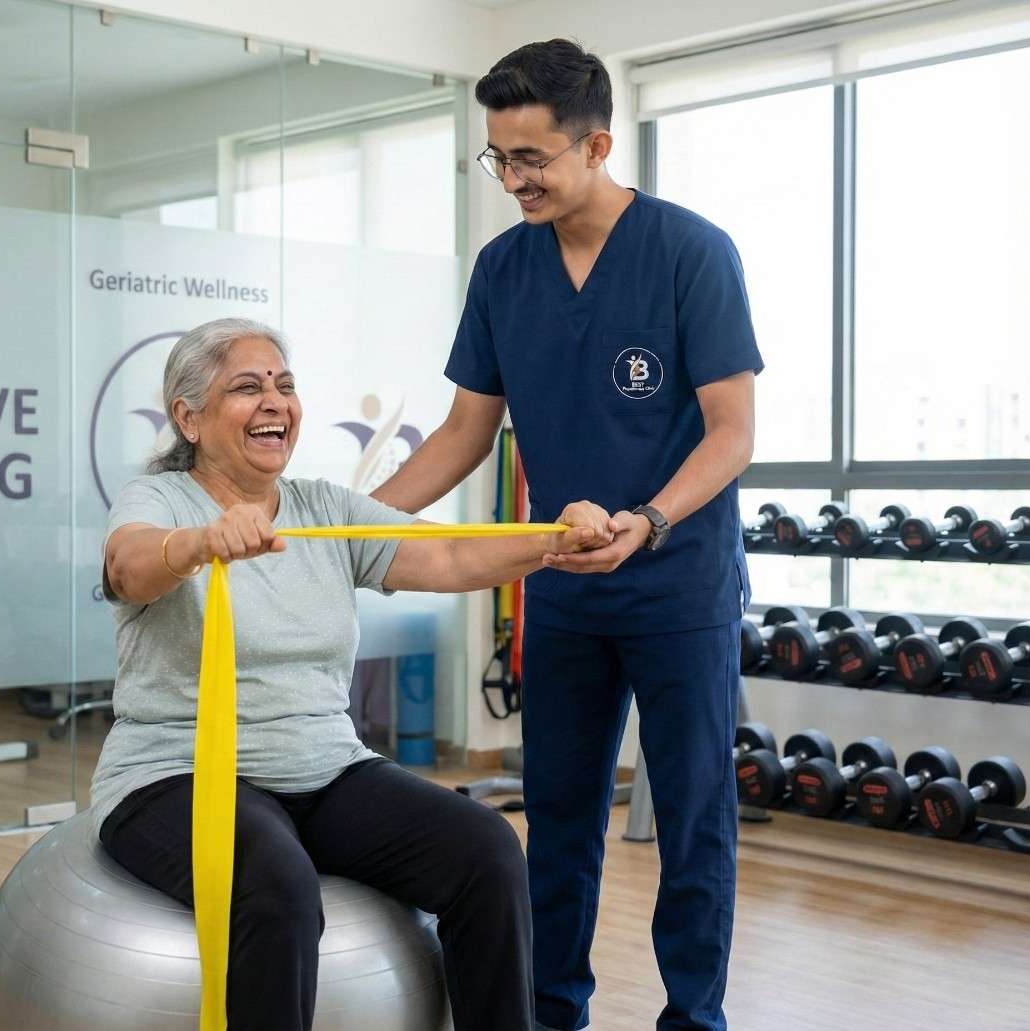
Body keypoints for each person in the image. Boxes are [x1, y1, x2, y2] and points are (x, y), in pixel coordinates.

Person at [372, 40, 762, 1031]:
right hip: (562, 587)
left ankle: (693, 1017)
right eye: (496, 159)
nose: (512, 180)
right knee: (557, 820)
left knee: (691, 822)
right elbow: (465, 431)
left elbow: (732, 432)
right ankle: (550, 1013)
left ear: (594, 144)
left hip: (679, 587)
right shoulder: (503, 268)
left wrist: (651, 519)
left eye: (530, 158)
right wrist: (354, 524)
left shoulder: (690, 250)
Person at [91, 316, 612, 1031]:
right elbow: (129, 565)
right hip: (174, 772)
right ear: (189, 417)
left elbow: (452, 557)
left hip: (324, 766)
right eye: (248, 387)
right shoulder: (158, 501)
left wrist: (556, 536)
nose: (275, 401)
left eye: (286, 385)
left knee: (487, 850)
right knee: (273, 881)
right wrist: (199, 543)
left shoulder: (322, 507)